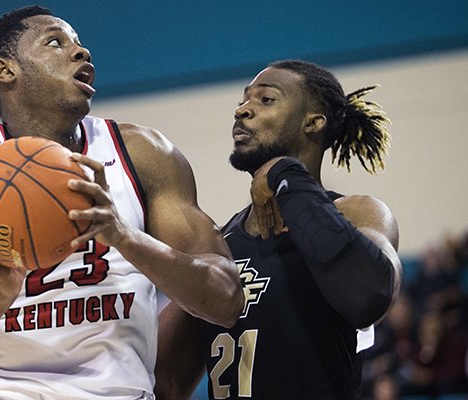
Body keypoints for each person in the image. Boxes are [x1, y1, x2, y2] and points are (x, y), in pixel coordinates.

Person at [0, 6, 243, 400]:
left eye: (80, 44)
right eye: (55, 42)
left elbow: (226, 301)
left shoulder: (142, 153)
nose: (82, 53)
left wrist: (125, 237)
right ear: (4, 70)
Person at [155, 60, 403, 399]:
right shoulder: (218, 242)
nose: (242, 110)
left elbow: (369, 295)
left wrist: (286, 173)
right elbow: (162, 379)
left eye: (266, 99)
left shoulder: (358, 212)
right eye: (244, 100)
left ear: (313, 123)